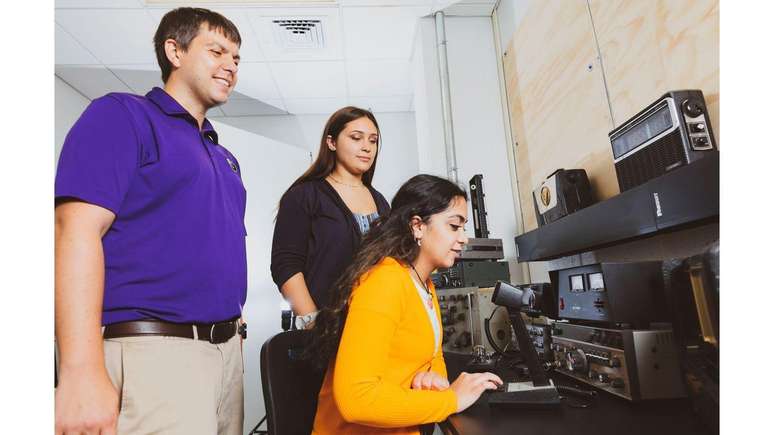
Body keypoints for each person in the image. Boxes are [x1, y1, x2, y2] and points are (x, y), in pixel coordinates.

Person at [55, 8, 246, 435]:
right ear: (173, 51)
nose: (231, 66)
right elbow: (75, 231)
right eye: (217, 51)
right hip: (153, 350)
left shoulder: (222, 156)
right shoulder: (123, 116)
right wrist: (79, 370)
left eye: (237, 58)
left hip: (227, 353)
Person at [308, 174, 503, 434]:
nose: (464, 238)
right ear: (417, 226)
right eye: (454, 226)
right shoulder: (384, 282)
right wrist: (450, 399)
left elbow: (433, 352)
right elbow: (356, 399)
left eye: (464, 227)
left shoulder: (424, 283)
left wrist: (433, 377)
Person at [270, 107, 390, 330]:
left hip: (375, 327)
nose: (367, 147)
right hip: (325, 331)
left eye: (373, 141)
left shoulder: (381, 202)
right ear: (331, 142)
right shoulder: (304, 196)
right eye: (356, 138)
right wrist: (312, 323)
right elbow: (285, 265)